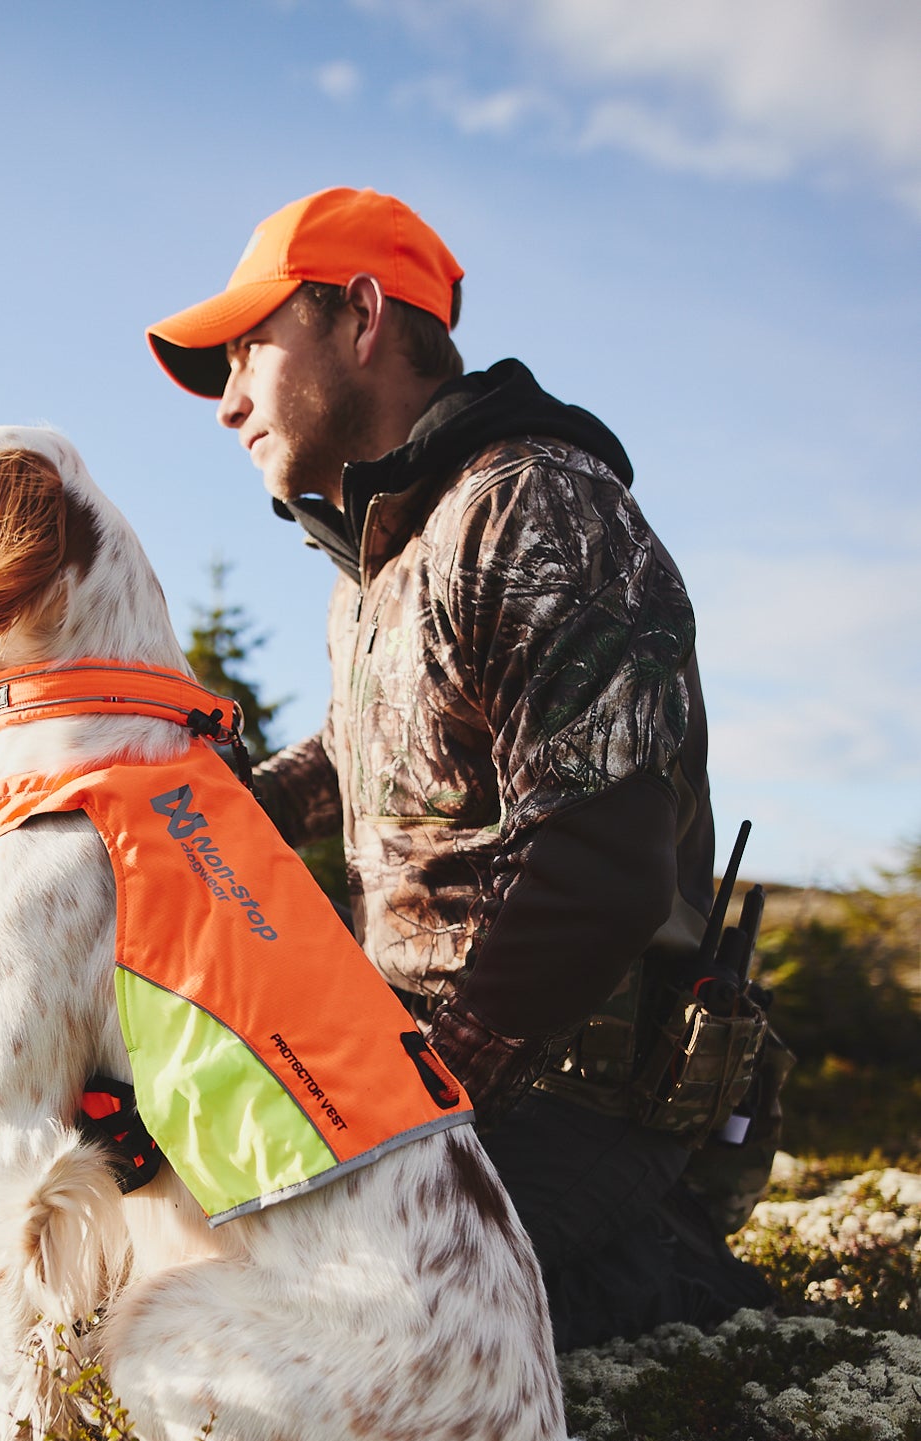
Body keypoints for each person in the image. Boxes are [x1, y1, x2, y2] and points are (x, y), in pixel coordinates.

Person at [147, 185, 777, 1349]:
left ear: (362, 316)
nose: (228, 402)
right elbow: (360, 750)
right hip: (424, 1077)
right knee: (160, 1257)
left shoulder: (536, 508)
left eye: (247, 351)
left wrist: (416, 1108)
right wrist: (199, 806)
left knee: (339, 1336)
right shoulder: (377, 563)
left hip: (563, 1091)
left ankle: (668, 1280)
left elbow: (598, 866)